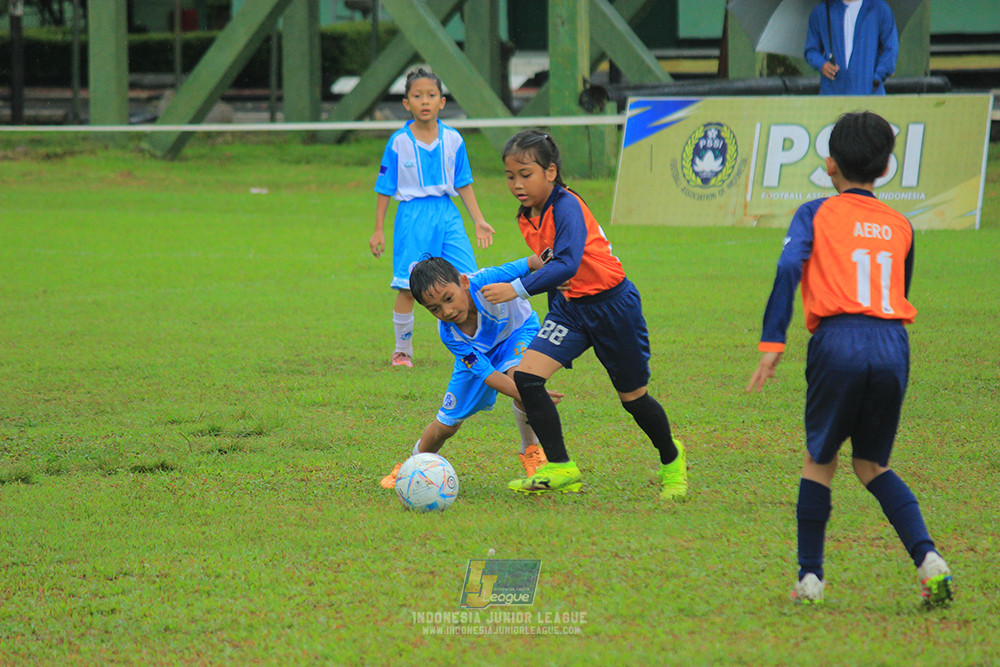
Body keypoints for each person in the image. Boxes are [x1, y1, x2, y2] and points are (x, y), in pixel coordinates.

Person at [747, 111, 952, 606]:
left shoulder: (814, 213)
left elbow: (788, 266)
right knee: (872, 464)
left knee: (819, 461)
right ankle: (929, 559)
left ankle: (810, 580)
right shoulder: (901, 224)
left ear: (829, 164)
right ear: (885, 169)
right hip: (892, 342)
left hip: (838, 340)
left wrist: (773, 344)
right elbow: (899, 288)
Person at [480, 129, 687, 499]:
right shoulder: (528, 216)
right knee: (527, 377)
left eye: (525, 174)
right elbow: (552, 267)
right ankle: (561, 467)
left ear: (551, 172)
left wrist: (516, 288)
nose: (517, 184)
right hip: (570, 310)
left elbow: (568, 263)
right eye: (510, 176)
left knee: (634, 399)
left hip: (613, 307)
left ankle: (672, 459)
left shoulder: (567, 206)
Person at [380, 255, 562, 489]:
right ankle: (410, 466)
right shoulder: (450, 334)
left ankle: (531, 452)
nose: (447, 311)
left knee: (521, 378)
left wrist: (560, 275)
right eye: (435, 309)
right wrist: (534, 396)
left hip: (517, 333)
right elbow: (487, 374)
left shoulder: (487, 280)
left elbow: (533, 262)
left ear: (464, 282)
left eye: (449, 298)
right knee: (446, 425)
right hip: (478, 357)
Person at [370, 68, 495, 368]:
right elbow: (384, 187)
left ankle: (481, 343)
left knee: (468, 280)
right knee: (408, 286)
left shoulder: (454, 139)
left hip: (447, 214)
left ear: (442, 101)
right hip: (413, 217)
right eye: (417, 96)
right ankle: (402, 351)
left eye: (431, 95)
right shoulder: (398, 142)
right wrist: (378, 229)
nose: (424, 101)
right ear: (406, 103)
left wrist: (478, 220)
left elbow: (463, 182)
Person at [804, 0, 898, 95]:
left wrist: (878, 77)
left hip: (869, 94)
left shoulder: (879, 9)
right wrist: (822, 64)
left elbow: (891, 49)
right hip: (832, 93)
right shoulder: (821, 11)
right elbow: (811, 50)